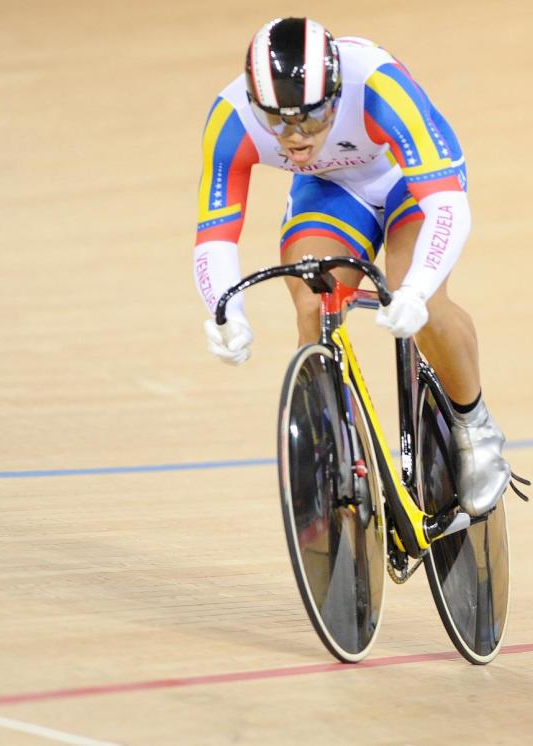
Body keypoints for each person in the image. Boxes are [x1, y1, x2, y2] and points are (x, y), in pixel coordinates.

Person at [193, 17, 509, 516]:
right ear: (255, 106)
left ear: (337, 95)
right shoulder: (231, 117)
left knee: (421, 301)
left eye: (313, 119)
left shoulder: (378, 86)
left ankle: (474, 426)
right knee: (312, 300)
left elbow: (448, 209)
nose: (296, 138)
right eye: (278, 122)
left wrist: (418, 290)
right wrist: (223, 309)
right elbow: (214, 235)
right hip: (332, 192)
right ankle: (333, 449)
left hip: (410, 179)